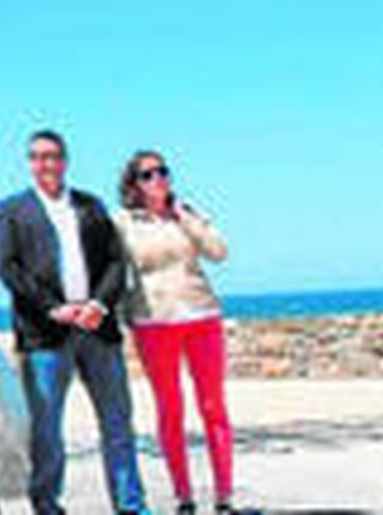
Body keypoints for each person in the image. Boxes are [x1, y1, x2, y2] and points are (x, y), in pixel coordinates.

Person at [0, 129, 147, 515]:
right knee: (46, 430)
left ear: (65, 160)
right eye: (38, 156)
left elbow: (116, 262)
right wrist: (52, 307)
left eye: (53, 156)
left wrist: (99, 304)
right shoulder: (11, 210)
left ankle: (130, 505)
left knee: (117, 425)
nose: (46, 163)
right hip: (46, 334)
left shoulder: (91, 206)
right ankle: (47, 504)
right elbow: (9, 269)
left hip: (97, 328)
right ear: (30, 163)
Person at [114, 151, 235, 515]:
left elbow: (219, 251)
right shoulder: (123, 222)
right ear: (134, 183)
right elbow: (113, 270)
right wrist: (123, 315)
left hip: (202, 316)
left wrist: (186, 218)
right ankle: (183, 497)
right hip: (154, 323)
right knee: (170, 410)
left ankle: (224, 497)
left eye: (162, 171)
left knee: (213, 407)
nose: (158, 179)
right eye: (148, 174)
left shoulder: (186, 212)